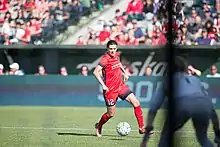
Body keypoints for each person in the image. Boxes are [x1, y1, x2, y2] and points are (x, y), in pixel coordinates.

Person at [141, 56, 219, 147]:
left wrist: (145, 139)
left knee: (166, 136)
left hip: (182, 104)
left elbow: (153, 108)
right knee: (203, 137)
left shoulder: (167, 81)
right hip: (204, 105)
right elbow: (209, 105)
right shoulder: (195, 79)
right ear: (185, 68)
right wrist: (217, 132)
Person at [93, 40, 147, 137]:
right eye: (110, 49)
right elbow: (96, 72)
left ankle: (141, 128)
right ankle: (99, 126)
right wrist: (103, 85)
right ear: (107, 49)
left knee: (136, 103)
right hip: (110, 90)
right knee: (111, 114)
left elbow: (118, 63)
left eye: (114, 49)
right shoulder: (105, 59)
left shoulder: (117, 55)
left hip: (120, 86)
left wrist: (125, 72)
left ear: (116, 48)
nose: (113, 51)